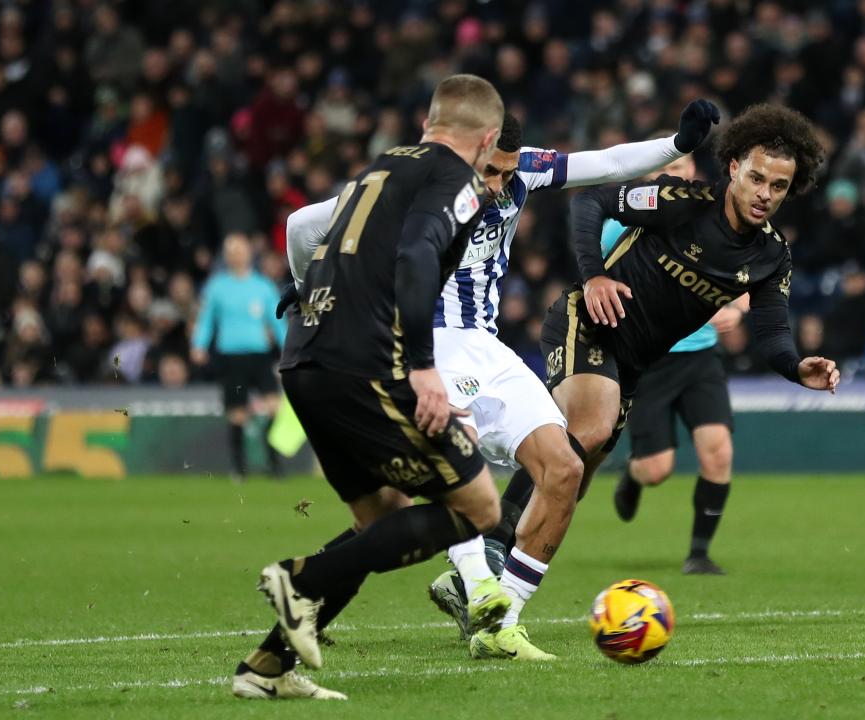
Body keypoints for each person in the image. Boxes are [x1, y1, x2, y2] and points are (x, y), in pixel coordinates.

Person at [283, 100, 721, 660]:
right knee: (445, 474)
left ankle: (498, 622)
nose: (499, 184)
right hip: (420, 348)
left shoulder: (523, 170)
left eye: (507, 171)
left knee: (564, 467)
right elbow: (303, 225)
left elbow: (609, 163)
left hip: (485, 347)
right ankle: (469, 586)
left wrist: (677, 146)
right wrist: (310, 289)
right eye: (490, 171)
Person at [470, 103, 840, 658]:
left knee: (572, 479)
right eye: (757, 177)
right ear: (734, 167)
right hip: (586, 324)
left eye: (779, 186)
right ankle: (489, 557)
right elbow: (591, 201)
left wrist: (796, 367)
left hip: (634, 366)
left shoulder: (771, 256)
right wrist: (594, 277)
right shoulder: (681, 202)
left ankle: (494, 596)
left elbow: (770, 330)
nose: (765, 193)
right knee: (588, 432)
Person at [234, 74, 505, 702]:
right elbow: (416, 255)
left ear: (429, 122)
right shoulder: (458, 181)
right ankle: (301, 579)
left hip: (307, 360)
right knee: (480, 509)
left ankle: (266, 668)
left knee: (379, 517)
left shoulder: (380, 167)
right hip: (364, 366)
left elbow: (314, 231)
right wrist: (423, 367)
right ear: (488, 139)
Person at [604, 149, 749, 576]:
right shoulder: (620, 226)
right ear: (649, 178)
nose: (673, 176)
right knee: (656, 469)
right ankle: (633, 474)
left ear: (692, 173)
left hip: (701, 356)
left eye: (679, 168)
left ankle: (699, 554)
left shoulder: (716, 221)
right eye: (664, 169)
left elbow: (748, 277)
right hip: (650, 359)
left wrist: (736, 309)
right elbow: (595, 280)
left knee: (718, 451)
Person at [190, 233, 286, 479]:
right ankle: (239, 468)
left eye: (240, 251)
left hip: (259, 355)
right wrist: (199, 345)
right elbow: (206, 320)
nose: (236, 256)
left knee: (274, 408)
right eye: (231, 252)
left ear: (249, 254)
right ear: (226, 256)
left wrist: (288, 347)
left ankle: (273, 464)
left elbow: (277, 320)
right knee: (237, 414)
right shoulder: (217, 287)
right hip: (231, 356)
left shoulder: (263, 286)